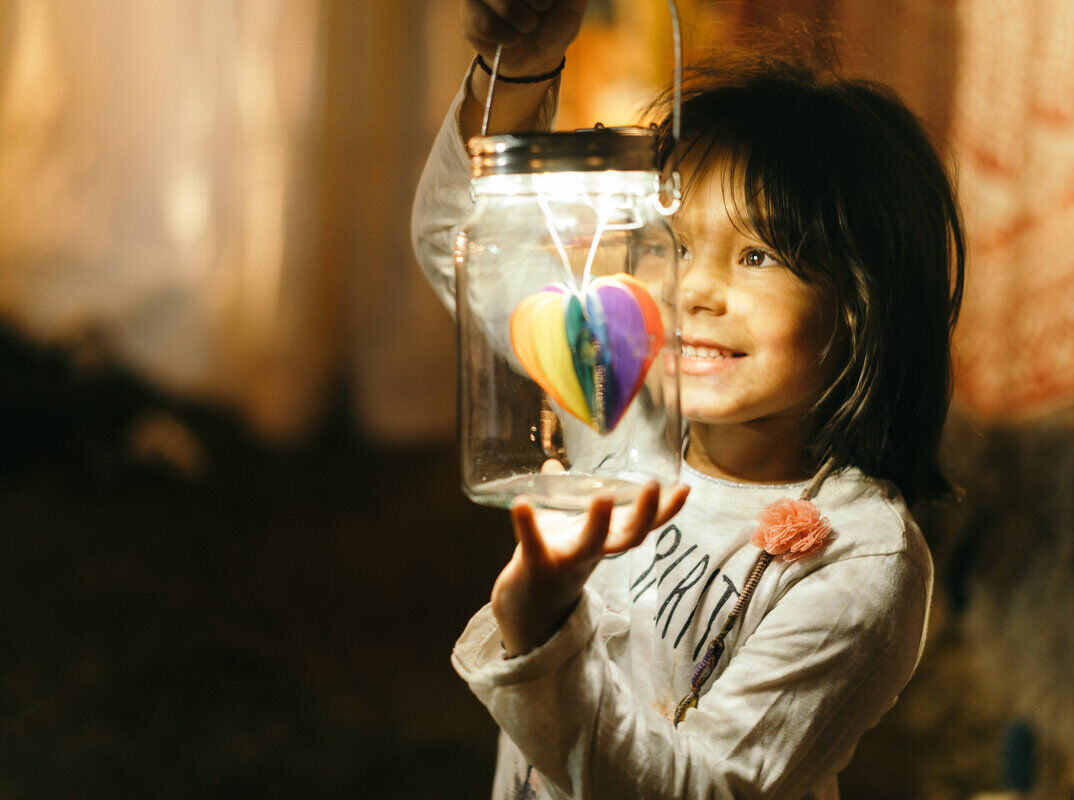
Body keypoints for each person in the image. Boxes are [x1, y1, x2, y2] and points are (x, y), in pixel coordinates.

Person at [410, 1, 965, 798]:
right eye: (671, 246)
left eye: (757, 253)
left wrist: (542, 633)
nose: (696, 289)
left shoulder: (860, 561)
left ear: (862, 304)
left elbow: (702, 787)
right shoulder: (620, 397)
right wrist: (519, 66)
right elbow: (455, 239)